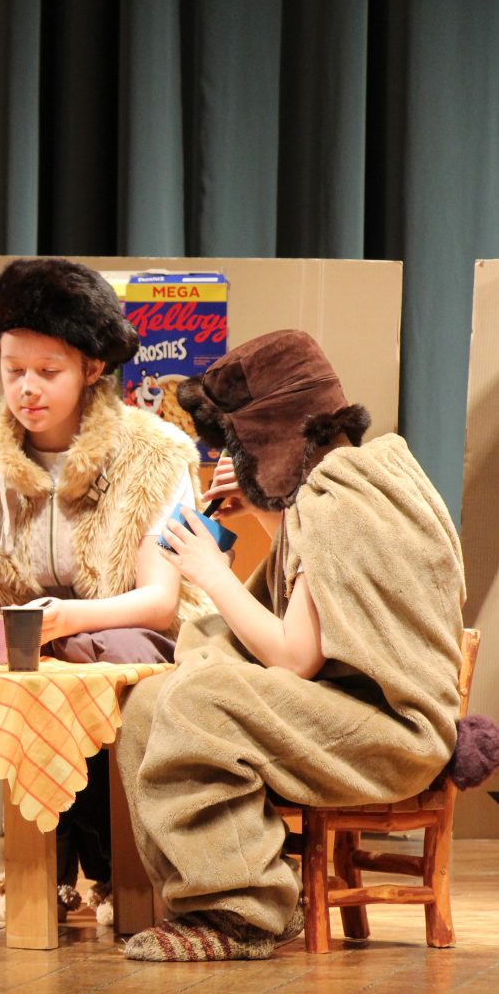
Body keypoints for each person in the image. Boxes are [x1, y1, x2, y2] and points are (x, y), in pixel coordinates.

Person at [118, 329, 465, 961]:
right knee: (148, 706)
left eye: (240, 445)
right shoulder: (355, 480)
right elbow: (319, 591)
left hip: (394, 737)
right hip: (354, 715)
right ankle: (207, 902)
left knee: (198, 702)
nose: (236, 458)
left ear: (268, 438)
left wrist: (211, 572)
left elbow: (296, 656)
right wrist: (262, 507)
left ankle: (244, 913)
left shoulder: (338, 505)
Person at [0, 257, 210, 921]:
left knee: (89, 657)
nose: (27, 389)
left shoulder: (155, 454)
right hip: (27, 652)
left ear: (92, 368)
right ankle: (48, 869)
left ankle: (115, 867)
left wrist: (64, 621)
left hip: (139, 645)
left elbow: (159, 603)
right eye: (13, 370)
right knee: (38, 669)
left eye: (48, 371)